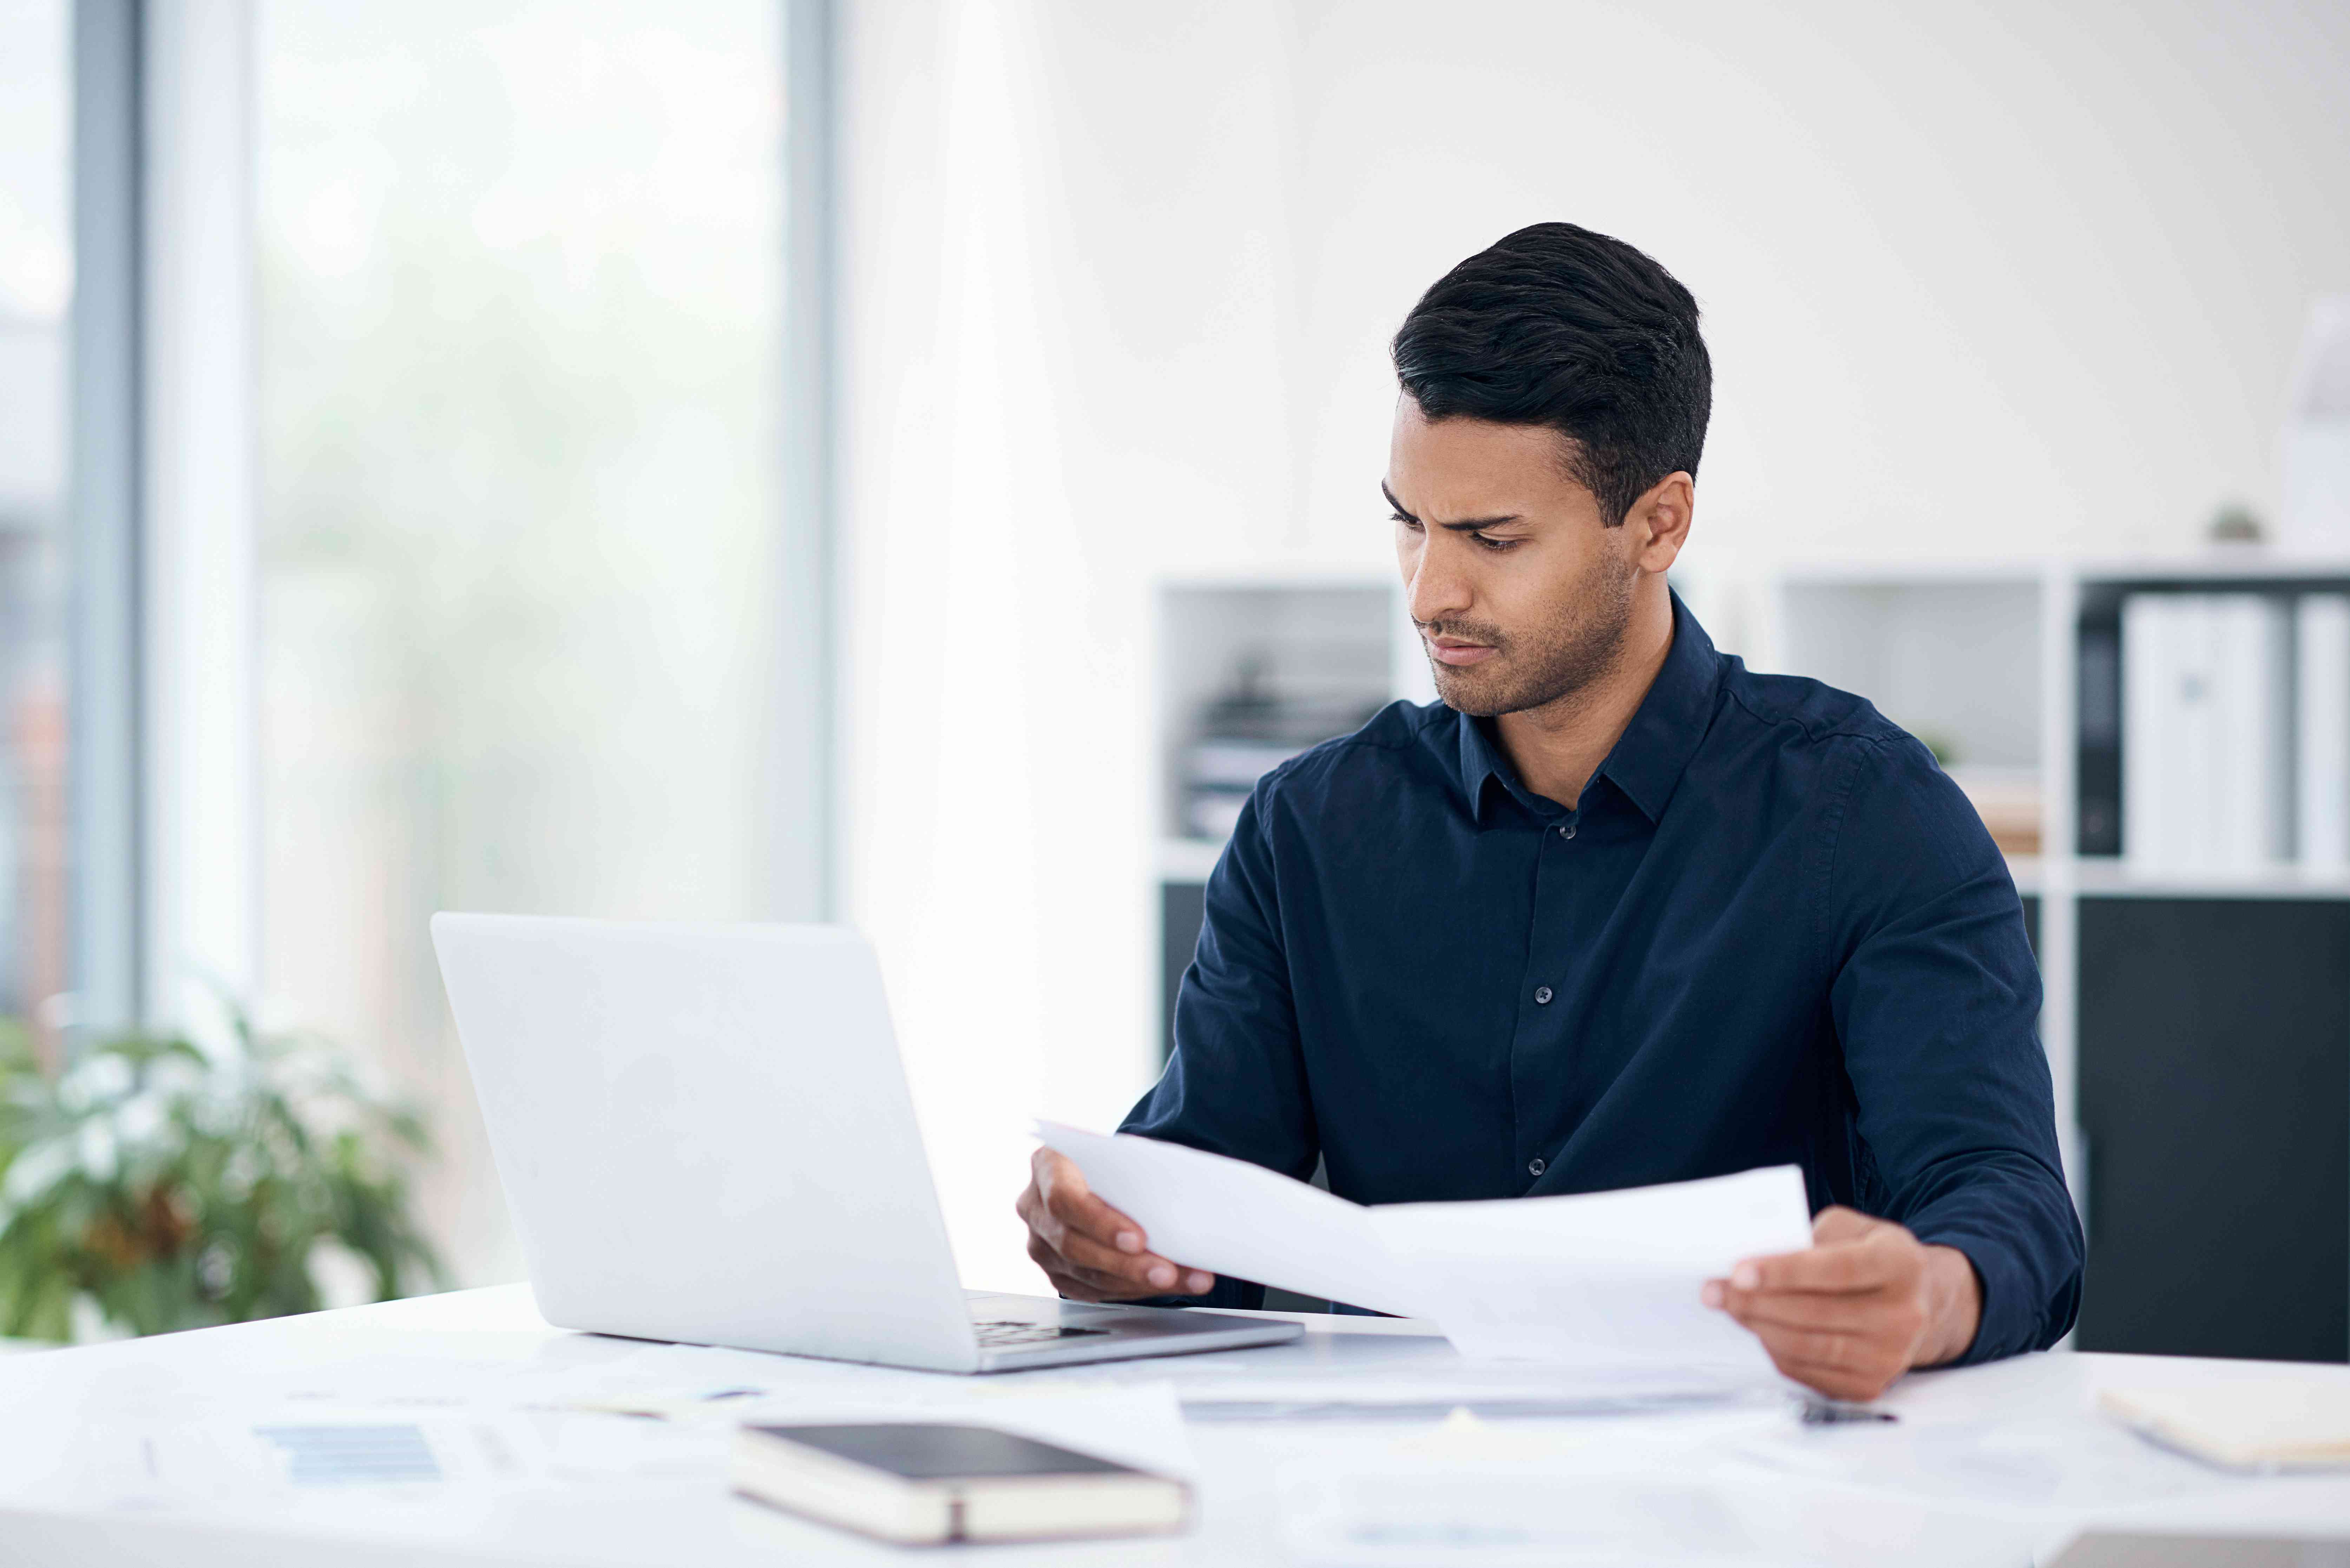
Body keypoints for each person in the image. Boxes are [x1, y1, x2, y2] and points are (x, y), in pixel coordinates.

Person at [1015, 222, 2083, 1401]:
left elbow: (2005, 1196)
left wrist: (1929, 1291)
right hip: (1392, 1496)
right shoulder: (1307, 832)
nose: (1430, 590)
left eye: (1491, 537)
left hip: (1751, 1487)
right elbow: (1199, 1217)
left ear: (1657, 524)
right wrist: (1111, 1247)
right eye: (1407, 523)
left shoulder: (1864, 810)